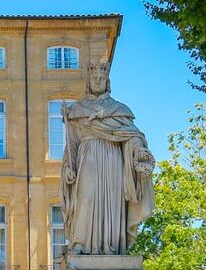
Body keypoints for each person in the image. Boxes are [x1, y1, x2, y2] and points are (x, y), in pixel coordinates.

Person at [60, 59, 155, 256]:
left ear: (107, 81)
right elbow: (72, 144)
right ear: (88, 81)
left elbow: (132, 136)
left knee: (112, 204)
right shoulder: (76, 110)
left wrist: (139, 151)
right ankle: (80, 243)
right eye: (94, 77)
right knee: (85, 197)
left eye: (101, 77)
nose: (97, 80)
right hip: (87, 159)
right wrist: (70, 166)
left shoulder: (119, 110)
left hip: (113, 160)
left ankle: (111, 246)